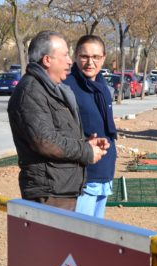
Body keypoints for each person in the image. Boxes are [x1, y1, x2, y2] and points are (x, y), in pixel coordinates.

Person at [7, 30, 108, 211]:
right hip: (49, 193)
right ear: (47, 60)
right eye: (65, 55)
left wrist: (86, 142)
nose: (70, 61)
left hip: (62, 189)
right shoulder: (31, 92)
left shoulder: (52, 89)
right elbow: (45, 141)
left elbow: (58, 134)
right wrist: (85, 151)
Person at [63, 35, 118, 218]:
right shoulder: (67, 86)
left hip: (104, 171)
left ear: (103, 58)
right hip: (83, 175)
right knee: (80, 235)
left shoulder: (102, 85)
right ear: (76, 56)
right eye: (84, 56)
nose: (90, 62)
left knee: (96, 234)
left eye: (96, 57)